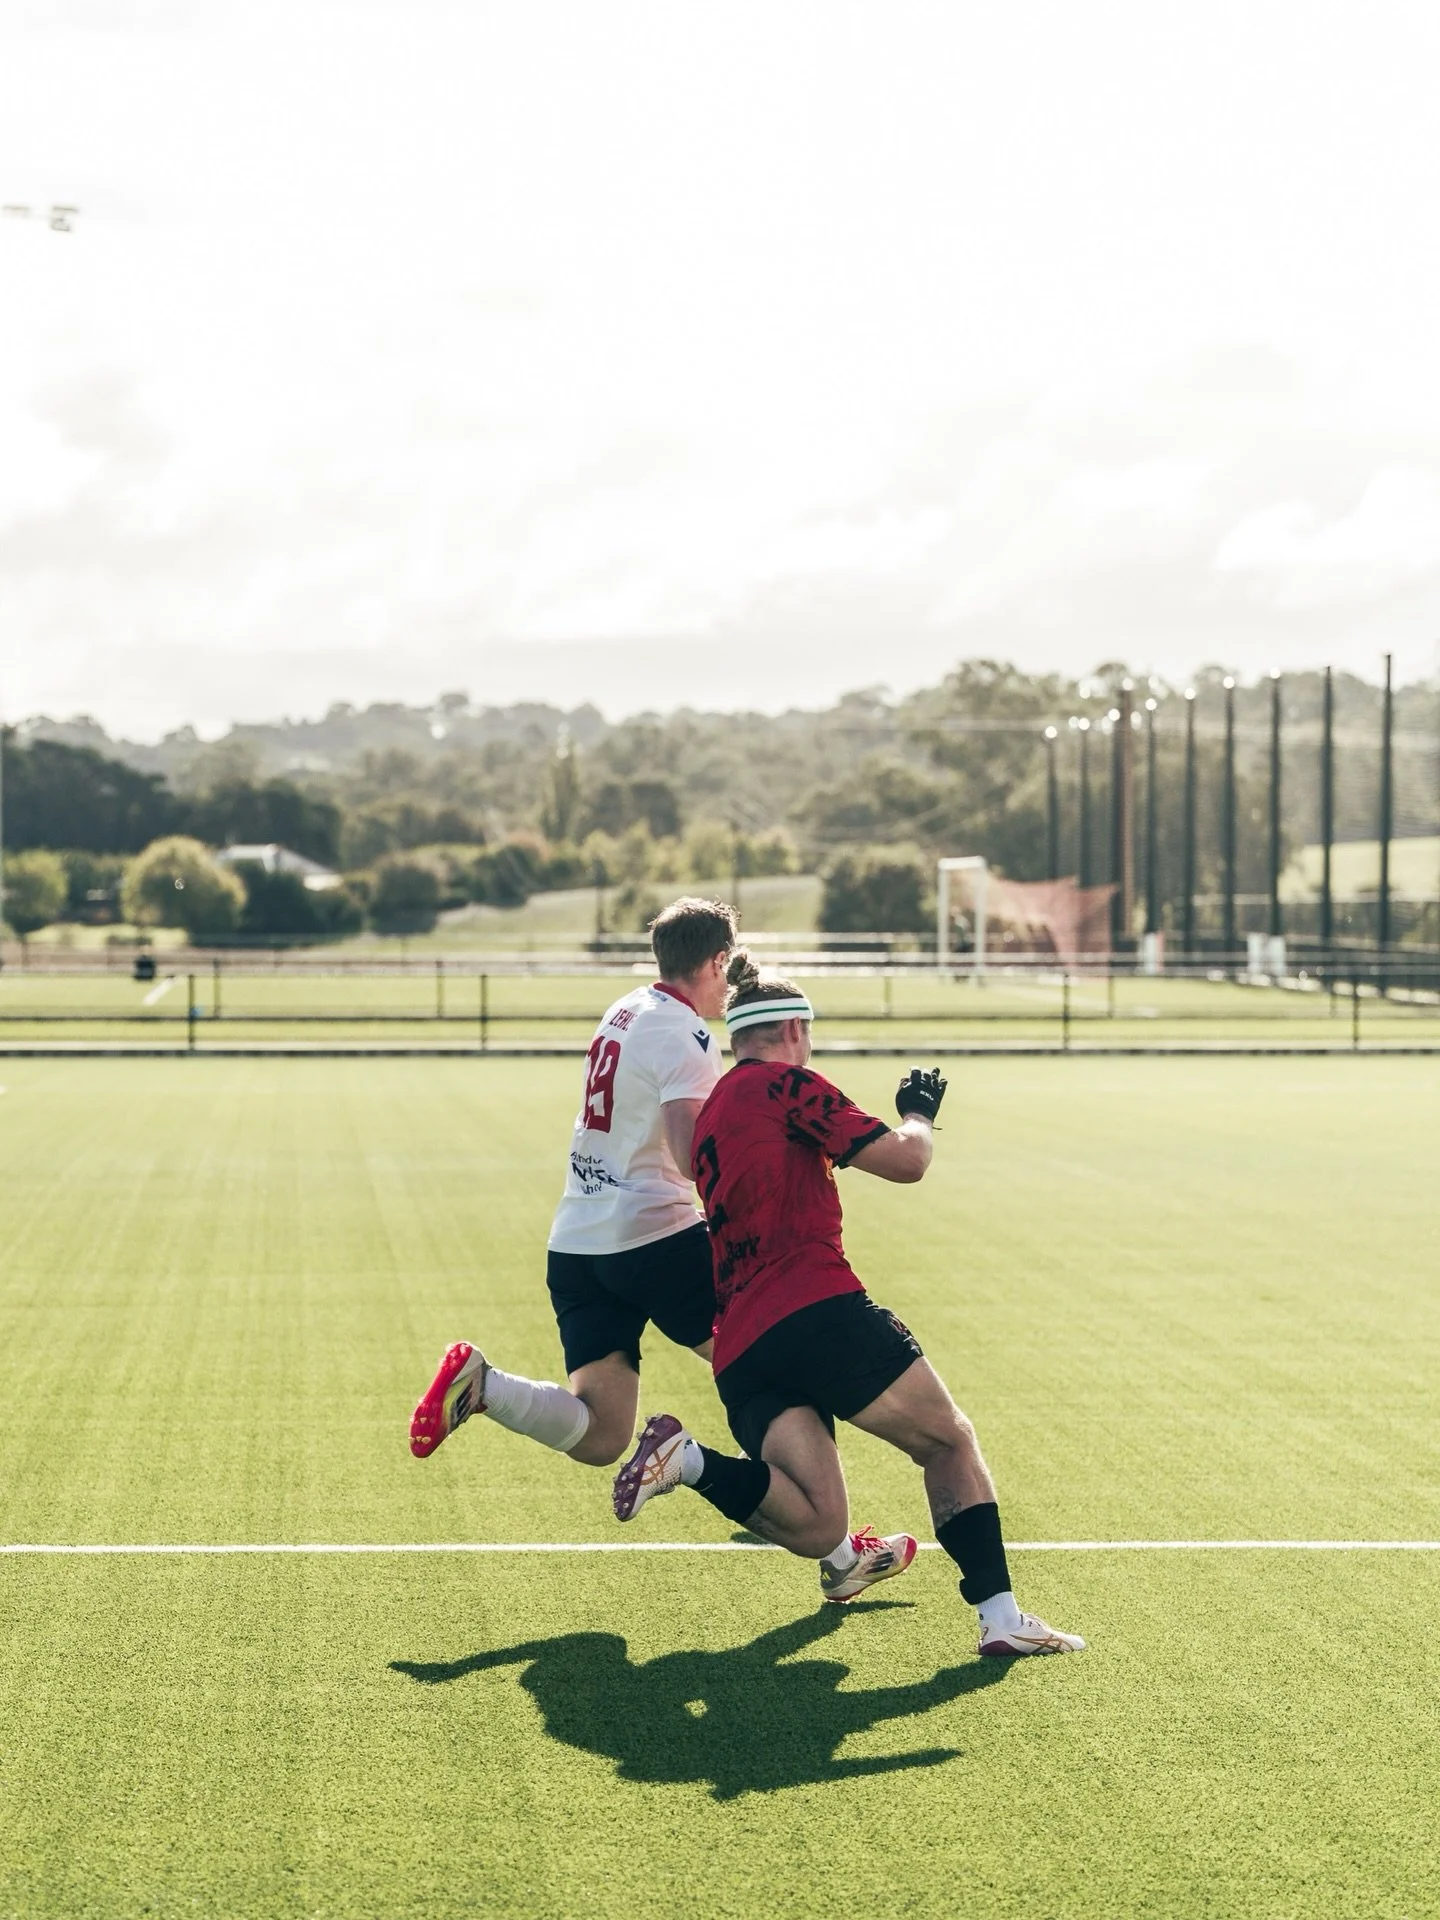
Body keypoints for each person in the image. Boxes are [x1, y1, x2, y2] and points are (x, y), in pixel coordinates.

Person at [611, 950, 1085, 1657]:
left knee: (816, 1524)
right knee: (947, 1441)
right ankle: (1001, 1616)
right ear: (794, 1031)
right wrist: (918, 1115)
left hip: (740, 1343)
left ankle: (689, 1461)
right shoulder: (786, 1085)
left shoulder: (712, 1115)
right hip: (814, 1309)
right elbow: (906, 1161)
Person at [408, 896, 737, 1471]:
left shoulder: (627, 1007)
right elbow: (691, 1159)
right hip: (653, 1239)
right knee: (754, 1354)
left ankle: (486, 1386)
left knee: (603, 1435)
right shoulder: (686, 1033)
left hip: (578, 1243)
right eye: (727, 968)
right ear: (716, 961)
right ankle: (811, 1520)